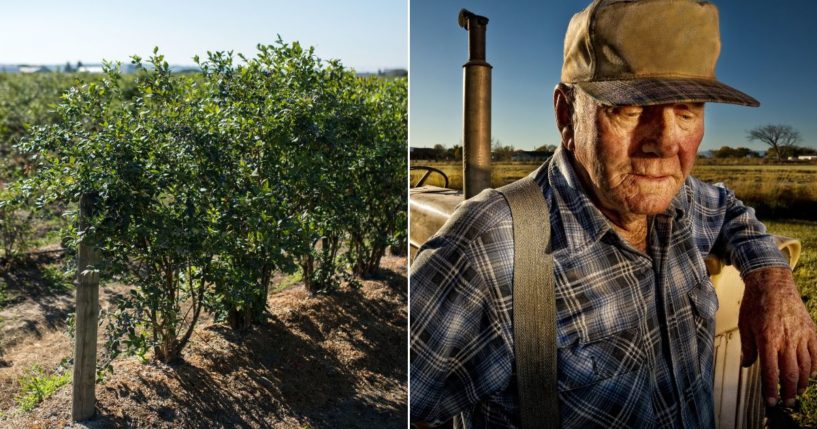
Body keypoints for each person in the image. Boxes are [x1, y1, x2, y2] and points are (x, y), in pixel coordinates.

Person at [409, 0, 817, 428]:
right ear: (567, 114)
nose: (663, 143)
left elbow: (731, 210)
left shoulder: (681, 201)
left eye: (686, 111)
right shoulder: (489, 248)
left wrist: (772, 280)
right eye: (631, 108)